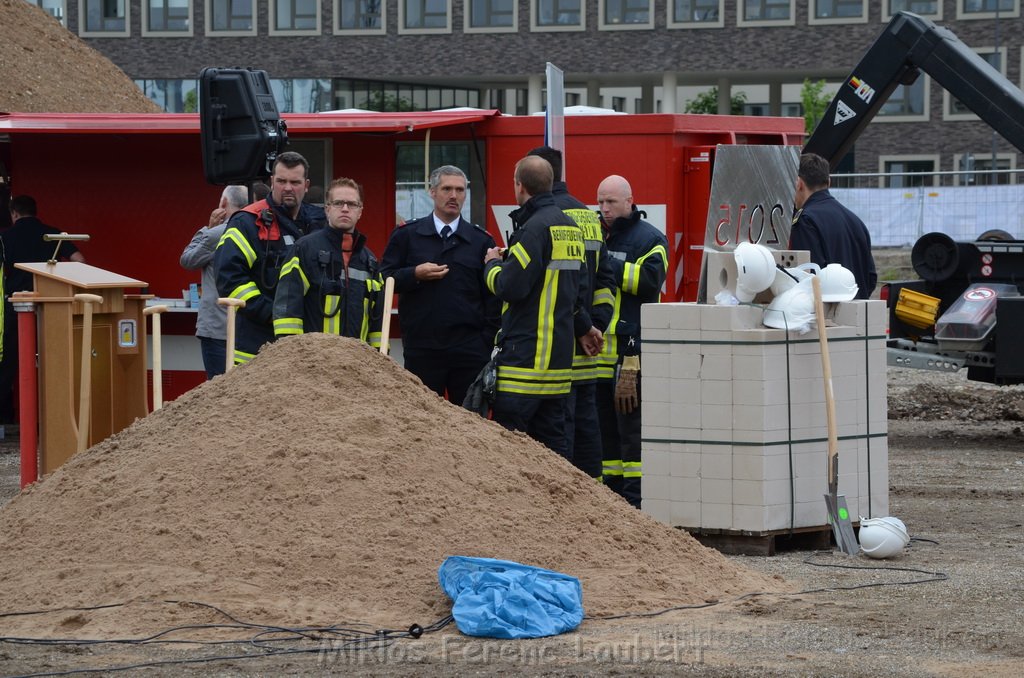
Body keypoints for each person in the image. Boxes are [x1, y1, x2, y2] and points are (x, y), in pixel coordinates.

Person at [483, 155, 584, 456]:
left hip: (523, 367)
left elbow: (510, 287)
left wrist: (491, 266)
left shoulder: (532, 230)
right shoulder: (570, 228)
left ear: (520, 186)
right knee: (554, 458)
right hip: (558, 369)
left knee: (512, 458)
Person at [527, 146, 615, 479]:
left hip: (558, 350)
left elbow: (566, 290)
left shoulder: (546, 220)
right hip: (588, 351)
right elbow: (605, 281)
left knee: (558, 440)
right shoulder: (589, 218)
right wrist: (597, 326)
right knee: (588, 436)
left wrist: (581, 327)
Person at [380, 166, 498, 406]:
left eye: (459, 190)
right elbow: (384, 280)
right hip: (422, 348)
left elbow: (493, 297)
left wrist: (484, 341)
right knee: (421, 419)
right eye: (447, 189)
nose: (453, 195)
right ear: (432, 192)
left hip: (469, 351)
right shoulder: (407, 236)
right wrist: (415, 274)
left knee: (469, 421)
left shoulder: (480, 240)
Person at [594, 175, 668, 508]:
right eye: (600, 202)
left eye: (611, 202)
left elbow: (649, 281)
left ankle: (636, 505)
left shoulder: (651, 239)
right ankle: (610, 502)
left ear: (629, 201)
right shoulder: (594, 235)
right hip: (594, 357)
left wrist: (603, 264)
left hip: (631, 359)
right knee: (603, 438)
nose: (605, 209)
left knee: (632, 439)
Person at [214, 151, 326, 365]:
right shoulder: (247, 222)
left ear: (306, 184)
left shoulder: (319, 222)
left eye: (295, 182)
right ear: (272, 181)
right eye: (281, 181)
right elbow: (229, 279)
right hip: (257, 346)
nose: (287, 188)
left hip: (309, 346)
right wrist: (273, 313)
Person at [1, 195, 86, 423]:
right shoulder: (53, 233)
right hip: (50, 304)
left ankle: (5, 420)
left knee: (8, 364)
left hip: (15, 306)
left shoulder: (5, 236)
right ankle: (58, 420)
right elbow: (80, 260)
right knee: (54, 361)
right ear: (34, 211)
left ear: (14, 213)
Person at [273, 177, 383, 346]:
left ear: (360, 211)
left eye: (352, 204)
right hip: (314, 363)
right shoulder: (304, 250)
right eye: (338, 203)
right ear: (327, 209)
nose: (345, 209)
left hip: (357, 364)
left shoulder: (370, 261)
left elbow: (377, 324)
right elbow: (287, 312)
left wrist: (379, 360)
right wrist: (293, 357)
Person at [179, 185, 248, 379]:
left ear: (223, 204)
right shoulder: (253, 231)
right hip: (245, 327)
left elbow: (187, 260)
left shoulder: (216, 234)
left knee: (218, 388)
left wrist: (207, 229)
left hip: (216, 329)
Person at [790, 152, 877, 299]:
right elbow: (871, 278)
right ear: (828, 182)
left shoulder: (806, 220)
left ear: (799, 184)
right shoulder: (855, 221)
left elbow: (808, 277)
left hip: (826, 317)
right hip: (859, 314)